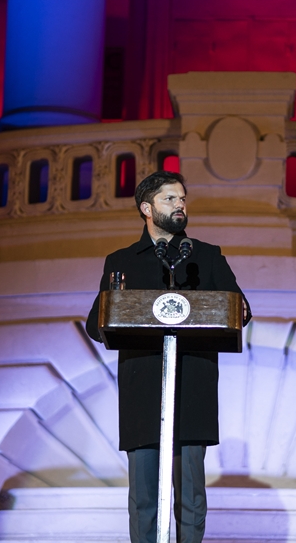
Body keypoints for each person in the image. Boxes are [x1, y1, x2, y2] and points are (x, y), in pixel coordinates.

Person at [85, 170, 250, 543]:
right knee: (143, 498)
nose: (180, 205)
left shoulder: (206, 256)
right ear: (147, 208)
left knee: (190, 496)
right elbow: (96, 324)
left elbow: (238, 309)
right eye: (170, 199)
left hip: (192, 390)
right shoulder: (122, 261)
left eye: (182, 199)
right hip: (143, 391)